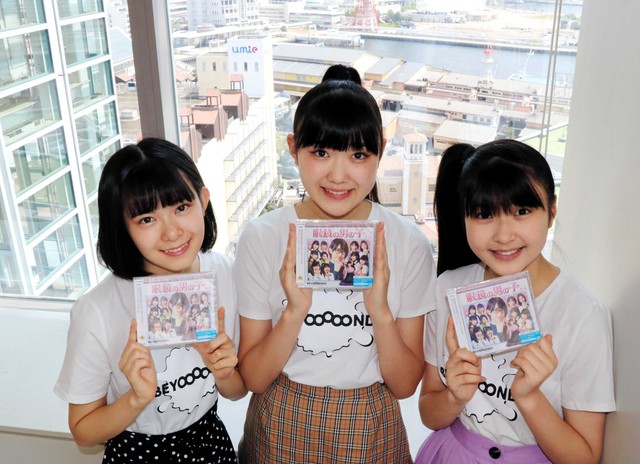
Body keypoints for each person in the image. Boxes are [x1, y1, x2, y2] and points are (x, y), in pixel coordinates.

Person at [234, 77, 437, 463]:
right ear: (293, 149)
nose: (339, 175)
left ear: (380, 152)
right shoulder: (262, 237)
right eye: (322, 152)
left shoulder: (408, 243)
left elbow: (405, 385)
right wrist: (294, 312)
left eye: (358, 155)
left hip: (371, 420)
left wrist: (380, 311)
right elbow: (254, 379)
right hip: (280, 414)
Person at [416, 140, 615, 463]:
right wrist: (454, 396)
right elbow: (428, 413)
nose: (504, 235)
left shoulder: (583, 316)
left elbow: (584, 457)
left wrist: (530, 397)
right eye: (484, 214)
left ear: (551, 211)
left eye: (521, 211)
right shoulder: (448, 288)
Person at [54, 138, 247, 463]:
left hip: (210, 445)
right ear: (122, 227)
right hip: (137, 453)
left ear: (203, 201)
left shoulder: (226, 274)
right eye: (147, 219)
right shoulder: (97, 310)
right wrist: (136, 398)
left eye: (181, 208)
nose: (171, 233)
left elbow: (237, 391)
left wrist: (224, 371)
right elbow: (83, 433)